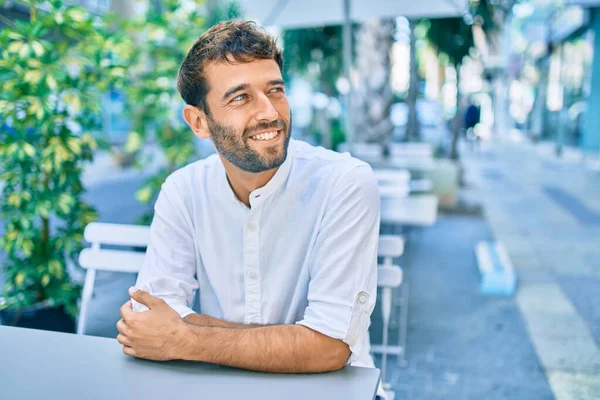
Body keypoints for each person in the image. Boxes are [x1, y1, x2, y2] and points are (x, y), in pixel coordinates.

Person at [116, 20, 383, 394]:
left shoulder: (344, 183)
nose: (269, 112)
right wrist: (289, 342)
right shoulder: (183, 191)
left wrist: (186, 338)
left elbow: (328, 347)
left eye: (275, 90)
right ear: (198, 121)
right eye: (240, 97)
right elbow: (149, 319)